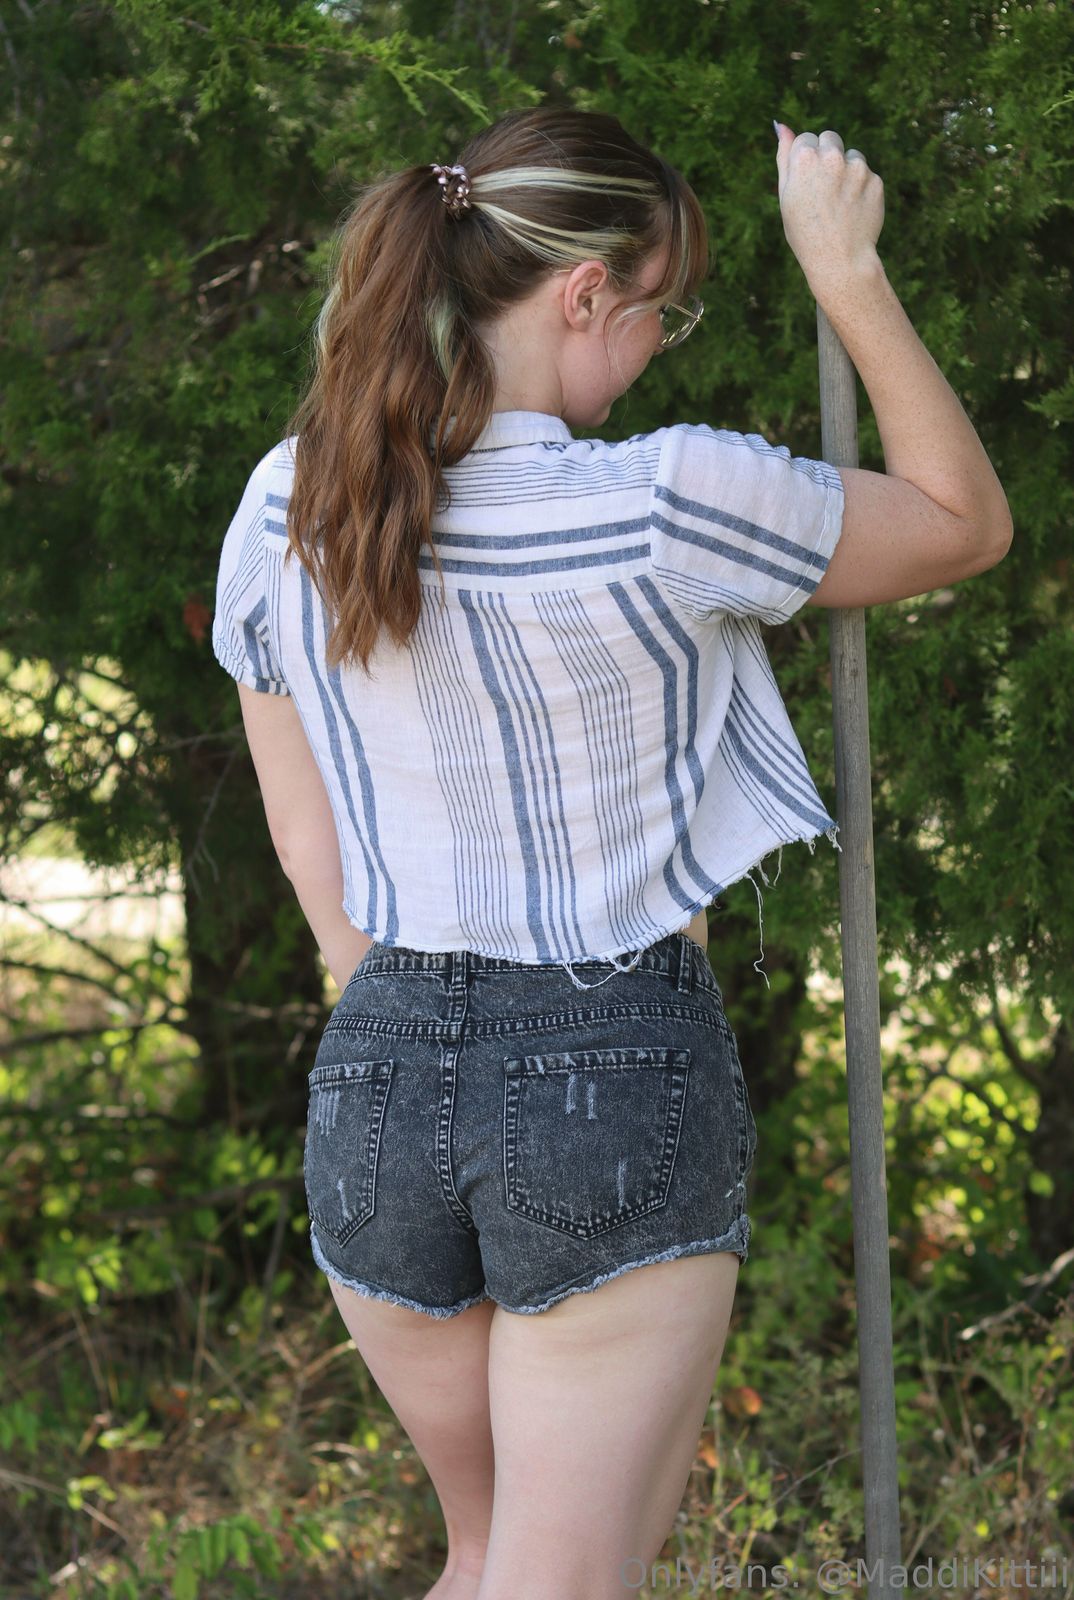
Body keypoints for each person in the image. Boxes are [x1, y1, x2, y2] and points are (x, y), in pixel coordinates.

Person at [210, 107, 1013, 1600]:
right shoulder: (670, 502)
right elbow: (961, 524)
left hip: (377, 1073)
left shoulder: (291, 500)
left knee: (484, 1558)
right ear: (583, 295)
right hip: (610, 1065)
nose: (656, 348)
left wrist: (401, 1015)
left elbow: (301, 824)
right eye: (658, 312)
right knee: (564, 1580)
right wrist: (845, 274)